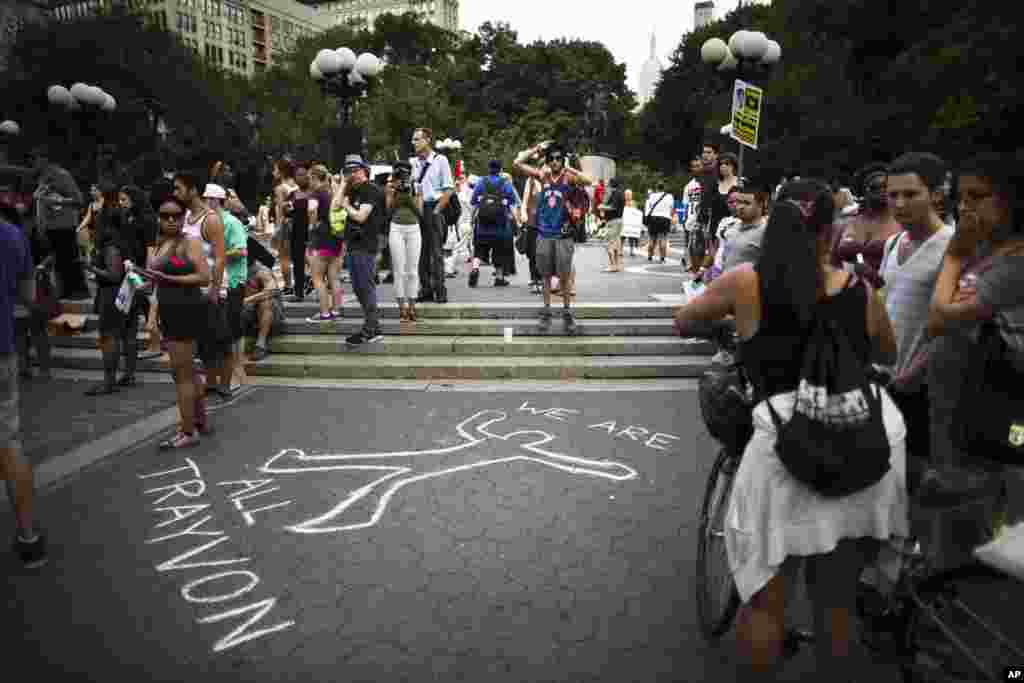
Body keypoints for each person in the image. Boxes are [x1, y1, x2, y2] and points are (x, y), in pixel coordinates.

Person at [673, 180, 906, 680]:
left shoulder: (745, 283)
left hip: (782, 449)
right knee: (836, 609)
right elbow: (887, 353)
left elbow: (684, 320)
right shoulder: (857, 288)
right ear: (830, 231)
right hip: (860, 444)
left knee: (766, 606)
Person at [927, 152, 1024, 468]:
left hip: (995, 406)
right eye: (962, 197)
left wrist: (954, 257)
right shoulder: (981, 247)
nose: (965, 206)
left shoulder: (1016, 261)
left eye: (978, 196)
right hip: (956, 400)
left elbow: (942, 312)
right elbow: (935, 317)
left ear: (1011, 199)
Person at [877, 153, 954, 472]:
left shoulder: (953, 248)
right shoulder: (892, 244)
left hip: (923, 390)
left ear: (936, 195)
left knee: (917, 482)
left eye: (910, 194)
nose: (900, 204)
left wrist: (914, 374)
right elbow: (883, 304)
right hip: (882, 382)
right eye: (893, 195)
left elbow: (953, 328)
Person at [2, 195, 49, 568]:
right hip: (1, 349)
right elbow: (29, 296)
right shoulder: (11, 236)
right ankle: (29, 535)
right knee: (9, 442)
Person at [144, 195, 210, 449]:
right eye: (164, 216)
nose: (170, 220)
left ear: (183, 218)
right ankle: (198, 422)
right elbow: (155, 279)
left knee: (182, 374)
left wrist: (168, 279)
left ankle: (187, 431)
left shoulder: (189, 241)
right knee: (187, 373)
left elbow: (204, 277)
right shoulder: (161, 243)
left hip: (185, 311)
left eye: (175, 215)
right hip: (169, 311)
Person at [513, 141, 594, 335]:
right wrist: (536, 149)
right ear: (547, 161)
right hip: (544, 234)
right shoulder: (543, 176)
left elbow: (589, 180)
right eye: (552, 158)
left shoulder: (568, 178)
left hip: (563, 234)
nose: (555, 162)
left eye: (559, 158)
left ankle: (567, 313)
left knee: (564, 277)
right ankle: (547, 311)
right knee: (546, 276)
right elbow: (517, 164)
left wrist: (567, 166)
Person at [174, 172, 230, 408]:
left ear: (192, 190)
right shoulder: (185, 217)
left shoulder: (211, 220)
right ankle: (209, 384)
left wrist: (215, 290)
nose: (175, 193)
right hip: (192, 289)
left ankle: (223, 386)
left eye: (178, 188)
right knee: (205, 342)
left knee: (220, 339)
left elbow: (219, 258)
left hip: (212, 289)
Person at [202, 183, 248, 396]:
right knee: (212, 333)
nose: (204, 203)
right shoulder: (208, 222)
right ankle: (214, 378)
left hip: (232, 282)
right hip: (213, 283)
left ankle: (235, 373)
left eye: (206, 199)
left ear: (213, 201)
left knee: (230, 330)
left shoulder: (231, 222)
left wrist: (215, 256)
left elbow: (241, 251)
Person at [337, 155, 385, 346]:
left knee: (365, 286)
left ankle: (371, 328)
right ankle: (371, 325)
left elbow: (360, 216)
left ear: (365, 170)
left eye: (356, 170)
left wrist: (346, 205)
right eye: (349, 171)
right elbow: (334, 206)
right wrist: (342, 184)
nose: (353, 174)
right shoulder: (353, 189)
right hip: (354, 244)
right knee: (358, 287)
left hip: (365, 244)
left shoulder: (370, 189)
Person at [831, 163, 902, 288]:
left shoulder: (904, 224)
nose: (882, 191)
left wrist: (872, 276)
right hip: (848, 293)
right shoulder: (846, 223)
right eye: (875, 187)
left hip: (888, 294)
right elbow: (833, 263)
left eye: (886, 186)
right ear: (864, 191)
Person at [30, 147, 87, 300]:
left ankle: (77, 293)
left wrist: (58, 200)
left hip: (63, 226)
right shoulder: (42, 177)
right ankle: (61, 293)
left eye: (35, 159)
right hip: (48, 227)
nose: (33, 163)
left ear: (44, 159)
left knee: (68, 262)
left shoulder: (62, 175)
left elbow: (79, 200)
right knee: (56, 264)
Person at [412, 128, 456, 303]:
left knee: (436, 252)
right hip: (419, 207)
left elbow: (449, 188)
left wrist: (437, 210)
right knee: (420, 253)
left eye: (417, 139)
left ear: (427, 140)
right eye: (413, 140)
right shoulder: (414, 163)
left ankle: (440, 290)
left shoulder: (440, 160)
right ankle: (426, 289)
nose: (414, 143)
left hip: (434, 207)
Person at [469, 159, 519, 288]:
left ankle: (475, 268)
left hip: (482, 225)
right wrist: (517, 221)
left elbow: (474, 202)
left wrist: (471, 218)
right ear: (500, 170)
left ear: (489, 168)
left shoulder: (481, 182)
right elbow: (512, 203)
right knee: (499, 251)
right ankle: (499, 278)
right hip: (500, 225)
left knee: (479, 249)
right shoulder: (505, 183)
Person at [386, 160, 422, 321]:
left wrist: (410, 195)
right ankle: (402, 308)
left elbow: (420, 212)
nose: (403, 176)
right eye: (400, 173)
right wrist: (394, 192)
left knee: (413, 271)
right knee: (399, 271)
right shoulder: (390, 187)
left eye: (406, 172)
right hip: (396, 228)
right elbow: (388, 211)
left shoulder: (416, 186)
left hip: (414, 228)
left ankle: (413, 307)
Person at [304, 165, 341, 322]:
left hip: (320, 239)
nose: (308, 181)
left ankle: (324, 313)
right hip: (336, 238)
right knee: (334, 278)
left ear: (313, 177)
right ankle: (336, 310)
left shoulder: (315, 193)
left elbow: (312, 210)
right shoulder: (332, 191)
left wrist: (312, 226)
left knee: (317, 278)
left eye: (309, 178)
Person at [241, 259, 283, 361]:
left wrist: (248, 300)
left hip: (269, 313)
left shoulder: (262, 270)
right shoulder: (231, 269)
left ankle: (260, 345)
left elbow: (272, 291)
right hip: (245, 313)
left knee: (266, 301)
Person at [272, 159, 299, 295]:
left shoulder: (280, 188)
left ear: (282, 172)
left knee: (284, 257)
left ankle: (288, 286)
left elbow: (280, 210)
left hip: (285, 224)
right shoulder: (297, 185)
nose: (273, 172)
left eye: (275, 169)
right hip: (298, 222)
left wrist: (277, 228)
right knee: (300, 254)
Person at [644, 181, 675, 263]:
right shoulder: (669, 196)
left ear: (656, 188)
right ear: (664, 188)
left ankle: (650, 256)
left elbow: (648, 207)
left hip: (653, 218)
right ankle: (662, 258)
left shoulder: (652, 196)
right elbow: (671, 209)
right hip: (665, 218)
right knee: (663, 239)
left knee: (652, 238)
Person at [600, 178, 625, 272]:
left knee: (609, 243)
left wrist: (602, 207)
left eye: (608, 184)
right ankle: (617, 265)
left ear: (611, 185)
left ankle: (612, 265)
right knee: (616, 244)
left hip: (613, 221)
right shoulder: (620, 193)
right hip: (619, 220)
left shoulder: (615, 194)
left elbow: (613, 207)